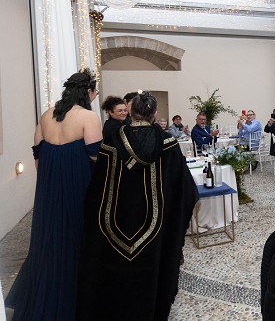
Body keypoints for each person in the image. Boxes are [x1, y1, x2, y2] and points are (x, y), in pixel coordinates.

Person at [76, 91, 198, 320]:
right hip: (156, 226)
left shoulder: (111, 141)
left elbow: (99, 185)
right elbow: (183, 189)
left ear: (131, 112)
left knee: (117, 270)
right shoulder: (168, 143)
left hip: (115, 223)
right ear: (154, 113)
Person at [5, 69, 102, 321]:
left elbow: (39, 158)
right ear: (87, 91)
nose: (95, 96)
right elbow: (97, 158)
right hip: (78, 188)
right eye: (94, 92)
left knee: (50, 242)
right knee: (76, 240)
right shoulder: (88, 117)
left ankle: (45, 296)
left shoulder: (46, 115)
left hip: (49, 190)